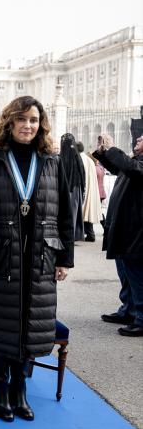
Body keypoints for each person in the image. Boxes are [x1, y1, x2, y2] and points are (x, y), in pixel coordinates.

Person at [0, 95, 74, 422]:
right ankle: (1, 389)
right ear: (9, 122)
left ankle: (20, 389)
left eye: (33, 120)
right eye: (22, 119)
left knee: (30, 325)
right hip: (1, 256)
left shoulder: (52, 163)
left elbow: (65, 214)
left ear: (40, 125)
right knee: (2, 325)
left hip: (40, 257)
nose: (28, 126)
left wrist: (64, 259)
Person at [94, 133, 143, 336]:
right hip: (124, 227)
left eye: (141, 140)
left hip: (136, 229)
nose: (137, 141)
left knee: (137, 275)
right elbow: (118, 168)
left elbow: (133, 171)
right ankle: (128, 310)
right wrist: (103, 152)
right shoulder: (135, 161)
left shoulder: (137, 165)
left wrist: (113, 149)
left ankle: (141, 317)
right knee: (125, 271)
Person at [60, 133, 85, 241]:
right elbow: (82, 174)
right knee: (72, 212)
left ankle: (70, 235)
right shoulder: (76, 157)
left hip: (72, 188)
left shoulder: (63, 157)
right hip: (75, 188)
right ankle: (72, 234)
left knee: (71, 212)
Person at [76, 142, 102, 242]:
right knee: (87, 212)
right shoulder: (89, 159)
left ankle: (85, 235)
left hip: (84, 188)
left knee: (83, 212)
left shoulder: (80, 159)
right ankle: (90, 234)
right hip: (90, 189)